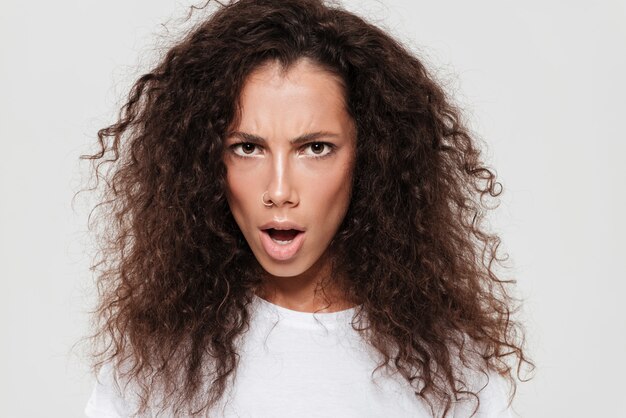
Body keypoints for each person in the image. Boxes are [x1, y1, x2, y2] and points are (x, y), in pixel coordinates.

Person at [82, 0, 532, 416]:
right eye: (247, 147)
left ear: (370, 158)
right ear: (206, 162)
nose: (279, 191)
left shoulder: (454, 374)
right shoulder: (152, 370)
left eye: (315, 148)